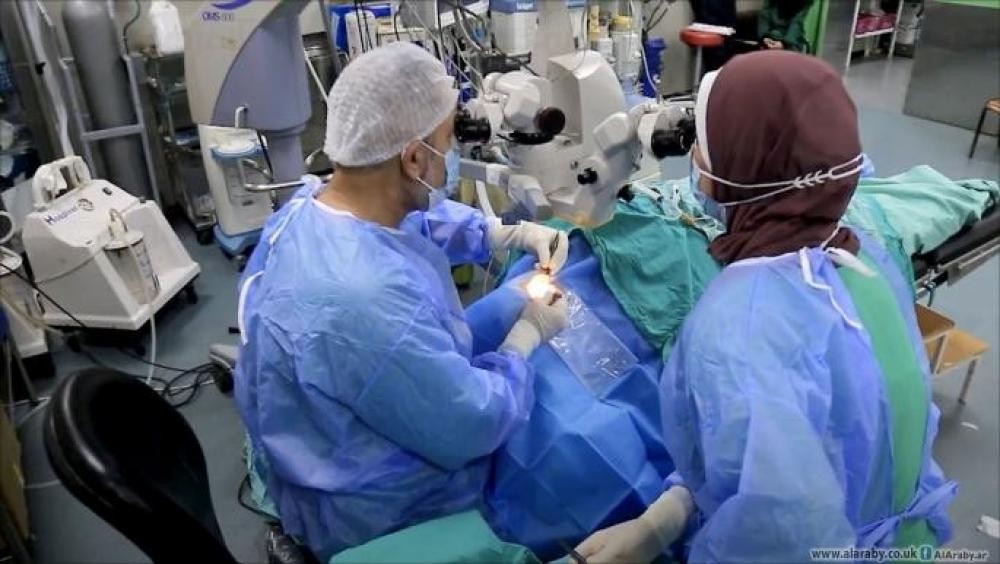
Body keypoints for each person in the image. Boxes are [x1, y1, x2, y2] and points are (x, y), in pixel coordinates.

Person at [575, 51, 956, 563]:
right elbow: (807, 444)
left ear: (740, 171)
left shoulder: (737, 326)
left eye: (705, 147)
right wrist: (668, 514)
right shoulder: (866, 257)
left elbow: (777, 532)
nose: (696, 161)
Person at [235, 42, 570, 561]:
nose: (452, 154)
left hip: (313, 440)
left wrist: (501, 233)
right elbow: (473, 422)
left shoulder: (308, 208)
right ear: (414, 158)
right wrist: (526, 339)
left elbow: (412, 222)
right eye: (448, 141)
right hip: (378, 512)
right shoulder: (367, 300)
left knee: (505, 306)